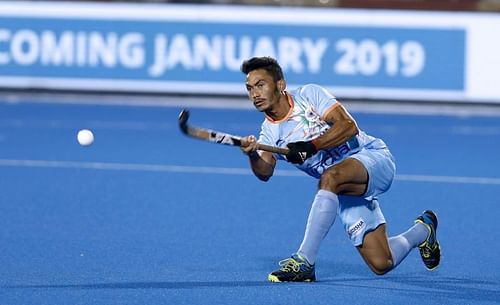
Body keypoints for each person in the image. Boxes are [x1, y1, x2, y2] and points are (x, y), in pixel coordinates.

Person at [239, 56, 441, 282]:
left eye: (260, 85)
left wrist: (311, 146)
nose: (254, 94)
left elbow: (348, 126)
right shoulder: (269, 133)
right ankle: (424, 231)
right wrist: (252, 154)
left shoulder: (308, 95)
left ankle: (305, 261)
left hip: (372, 157)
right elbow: (264, 172)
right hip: (341, 187)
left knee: (330, 176)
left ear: (280, 84)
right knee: (382, 262)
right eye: (249, 88)